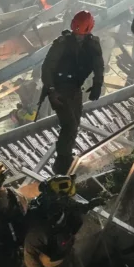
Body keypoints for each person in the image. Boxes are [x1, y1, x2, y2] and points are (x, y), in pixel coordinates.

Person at [41, 11, 104, 175]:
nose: (79, 37)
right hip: (60, 88)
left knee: (74, 124)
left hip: (74, 88)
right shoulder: (62, 43)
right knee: (69, 125)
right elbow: (47, 68)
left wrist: (98, 83)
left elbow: (98, 64)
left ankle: (65, 157)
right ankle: (62, 162)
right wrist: (52, 91)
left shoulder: (92, 43)